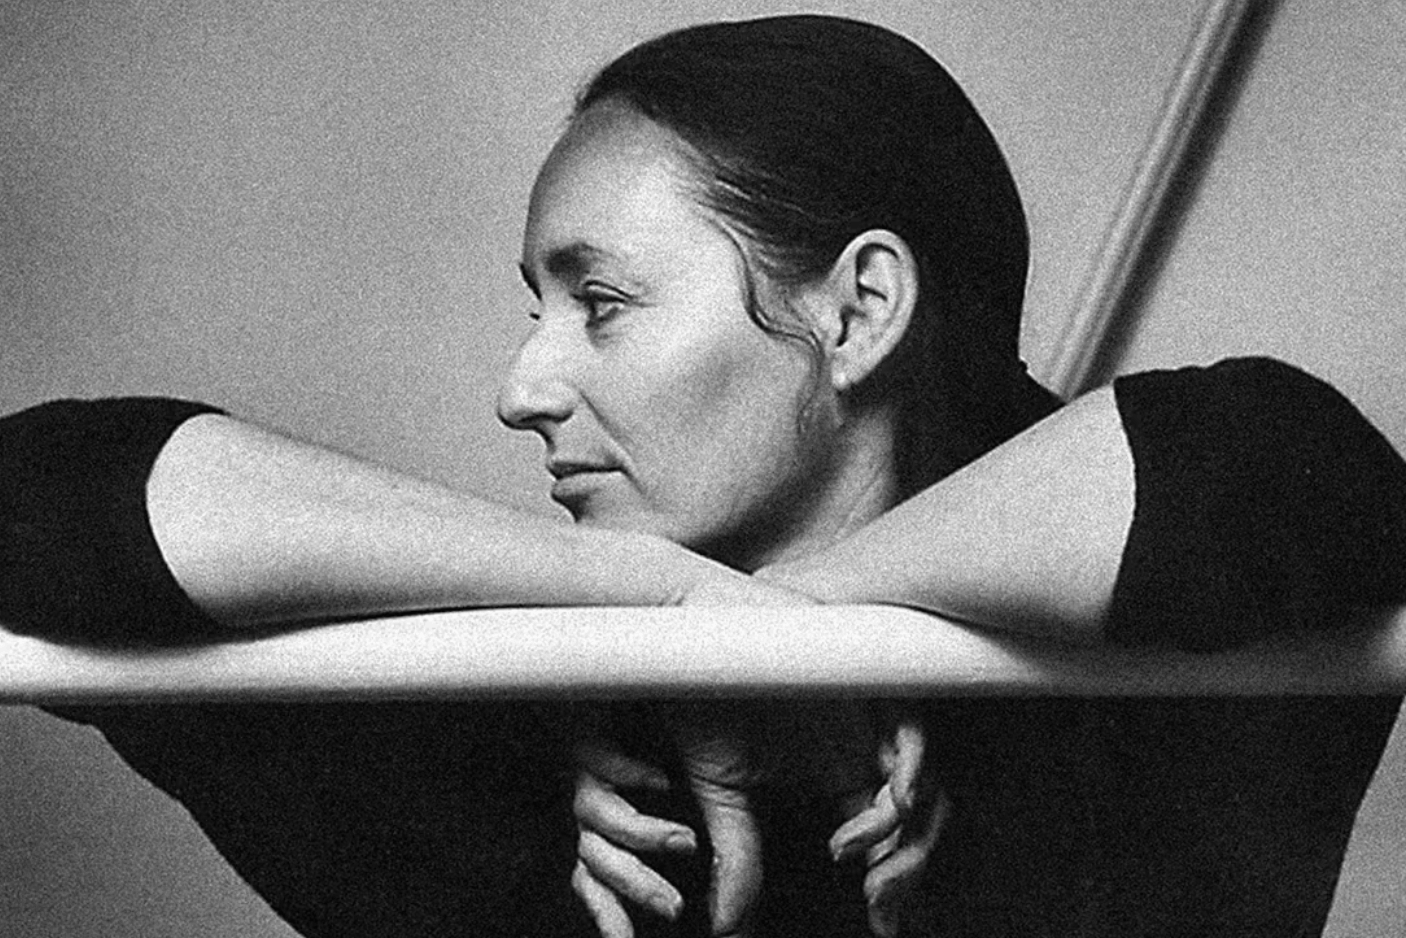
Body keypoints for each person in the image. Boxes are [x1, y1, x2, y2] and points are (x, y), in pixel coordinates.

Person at [2, 13, 1403, 938]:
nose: (519, 389)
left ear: (858, 311)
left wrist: (788, 638)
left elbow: (1281, 470)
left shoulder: (1149, 717)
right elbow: (32, 503)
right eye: (537, 309)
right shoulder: (541, 769)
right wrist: (652, 607)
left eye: (601, 302)